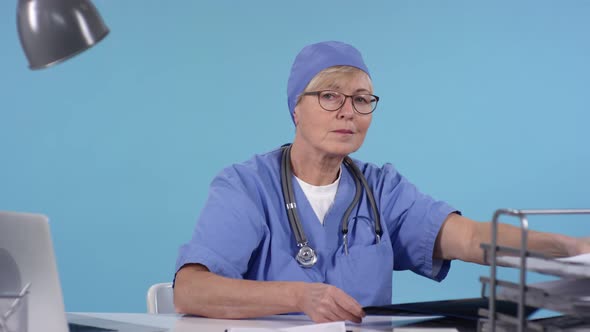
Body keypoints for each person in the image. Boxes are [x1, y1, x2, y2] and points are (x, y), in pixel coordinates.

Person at [173, 41, 590, 323]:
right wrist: (298, 297)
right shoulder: (247, 187)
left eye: (361, 99)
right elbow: (191, 290)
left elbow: (472, 238)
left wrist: (571, 248)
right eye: (329, 96)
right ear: (295, 108)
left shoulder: (381, 190)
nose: (348, 111)